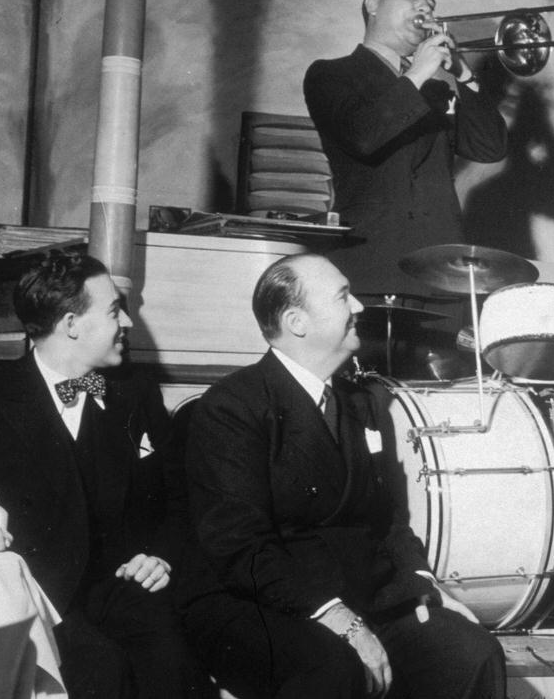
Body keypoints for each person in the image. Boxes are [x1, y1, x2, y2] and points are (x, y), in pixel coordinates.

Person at [0, 252, 209, 699]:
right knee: (100, 672)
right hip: (36, 599)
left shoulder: (136, 393)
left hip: (122, 590)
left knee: (174, 666)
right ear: (71, 324)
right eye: (115, 310)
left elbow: (179, 502)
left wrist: (161, 556)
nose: (128, 322)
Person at [178, 253, 506, 699]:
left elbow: (388, 517)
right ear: (296, 322)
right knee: (334, 670)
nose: (359, 307)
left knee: (471, 652)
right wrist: (339, 618)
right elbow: (241, 548)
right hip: (266, 605)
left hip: (361, 597)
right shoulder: (232, 406)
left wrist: (422, 584)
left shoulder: (359, 401)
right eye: (342, 296)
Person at [303, 0, 508, 301]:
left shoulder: (437, 91)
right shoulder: (331, 74)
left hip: (442, 270)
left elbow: (490, 147)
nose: (425, 7)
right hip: (372, 264)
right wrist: (418, 72)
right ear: (372, 4)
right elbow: (363, 137)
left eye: (430, 3)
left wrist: (465, 75)